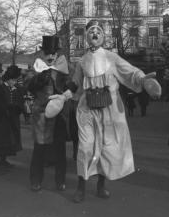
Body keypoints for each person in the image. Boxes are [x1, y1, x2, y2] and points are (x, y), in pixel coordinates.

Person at [46, 20, 161, 203]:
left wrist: (143, 80)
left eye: (98, 31)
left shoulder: (111, 57)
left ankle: (101, 186)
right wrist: (63, 97)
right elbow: (75, 83)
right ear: (87, 37)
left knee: (107, 147)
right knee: (84, 148)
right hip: (87, 110)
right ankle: (81, 188)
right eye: (91, 31)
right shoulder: (82, 61)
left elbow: (129, 72)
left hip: (109, 109)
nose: (95, 34)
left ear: (103, 36)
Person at [27, 36, 72, 192]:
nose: (51, 56)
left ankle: (60, 181)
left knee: (60, 150)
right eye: (47, 53)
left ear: (57, 54)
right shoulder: (36, 68)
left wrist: (65, 84)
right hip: (41, 116)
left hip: (59, 115)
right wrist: (40, 78)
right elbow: (28, 85)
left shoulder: (64, 69)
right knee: (39, 149)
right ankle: (35, 180)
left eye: (53, 53)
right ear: (42, 53)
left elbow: (71, 87)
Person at [2, 65, 25, 166]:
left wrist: (18, 107)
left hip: (14, 117)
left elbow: (21, 101)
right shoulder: (2, 88)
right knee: (3, 139)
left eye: (15, 80)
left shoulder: (17, 89)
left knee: (12, 139)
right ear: (8, 79)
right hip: (3, 118)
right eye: (12, 80)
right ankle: (1, 159)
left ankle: (4, 159)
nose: (14, 82)